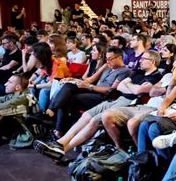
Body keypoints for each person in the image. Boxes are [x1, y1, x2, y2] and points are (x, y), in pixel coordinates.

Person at [34, 50, 162, 160]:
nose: (140, 61)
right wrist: (131, 87)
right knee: (86, 115)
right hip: (118, 98)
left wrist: (130, 87)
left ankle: (64, 149)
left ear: (152, 62)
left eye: (144, 59)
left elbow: (138, 91)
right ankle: (59, 143)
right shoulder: (138, 72)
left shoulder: (156, 76)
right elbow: (121, 86)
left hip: (129, 104)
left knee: (95, 120)